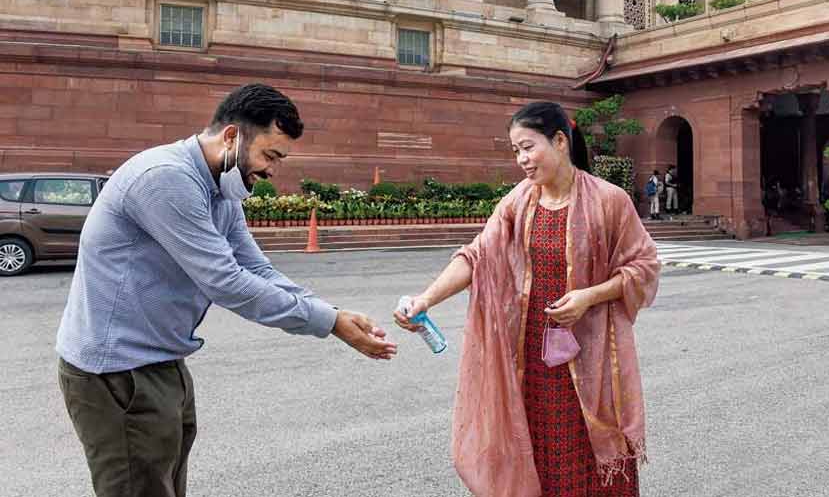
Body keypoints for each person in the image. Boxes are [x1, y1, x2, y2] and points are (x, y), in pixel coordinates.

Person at [56, 83, 397, 497]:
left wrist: (329, 311)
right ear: (232, 136)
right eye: (270, 155)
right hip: (117, 373)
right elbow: (226, 282)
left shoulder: (222, 190)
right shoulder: (166, 179)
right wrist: (330, 323)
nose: (273, 171)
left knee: (163, 486)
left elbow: (254, 267)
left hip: (160, 362)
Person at [394, 102, 660, 497]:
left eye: (528, 147)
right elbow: (477, 256)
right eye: (515, 150)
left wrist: (589, 296)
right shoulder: (519, 201)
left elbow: (644, 266)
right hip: (531, 360)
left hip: (592, 356)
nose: (521, 160)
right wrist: (425, 300)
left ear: (559, 141)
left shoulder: (609, 200)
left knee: (592, 448)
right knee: (541, 454)